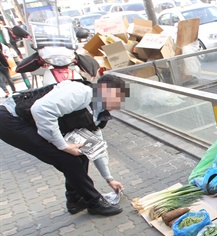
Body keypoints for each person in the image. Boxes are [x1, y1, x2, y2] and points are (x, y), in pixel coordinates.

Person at [0, 74, 129, 216]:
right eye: (118, 98)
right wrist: (63, 146)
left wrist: (109, 178)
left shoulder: (99, 113)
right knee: (67, 159)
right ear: (104, 92)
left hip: (31, 121)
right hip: (11, 119)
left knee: (82, 153)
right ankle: (94, 202)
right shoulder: (80, 92)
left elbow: (94, 148)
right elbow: (41, 110)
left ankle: (75, 200)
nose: (119, 105)